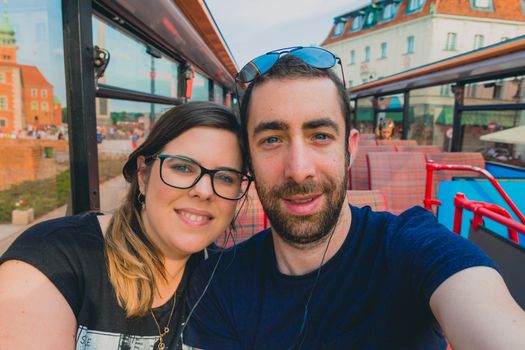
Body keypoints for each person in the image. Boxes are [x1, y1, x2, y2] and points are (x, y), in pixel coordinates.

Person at [182, 48, 525, 349]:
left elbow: (486, 311)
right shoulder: (218, 283)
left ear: (350, 148)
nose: (299, 170)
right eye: (272, 139)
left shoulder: (413, 246)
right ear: (249, 160)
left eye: (320, 135)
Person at [0, 101, 252, 349]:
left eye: (225, 177)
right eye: (183, 167)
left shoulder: (225, 281)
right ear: (143, 175)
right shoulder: (54, 256)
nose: (204, 191)